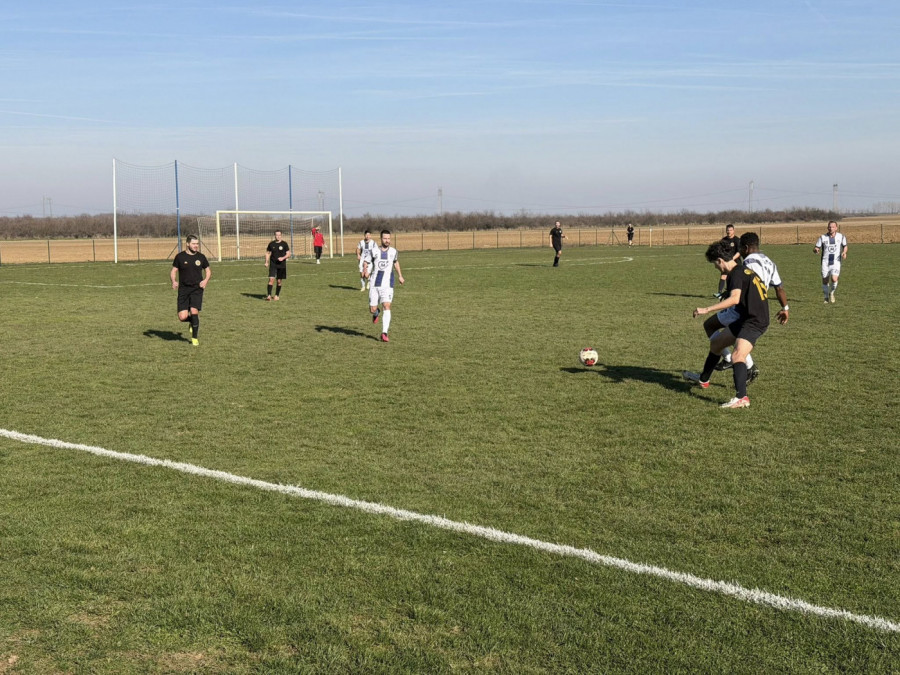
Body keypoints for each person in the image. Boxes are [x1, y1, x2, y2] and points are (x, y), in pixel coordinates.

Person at [683, 240, 770, 409]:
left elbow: (734, 299)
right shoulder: (742, 270)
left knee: (738, 355)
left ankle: (741, 397)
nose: (716, 267)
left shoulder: (736, 274)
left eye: (715, 264)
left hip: (755, 321)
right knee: (716, 344)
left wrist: (707, 309)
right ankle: (703, 380)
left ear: (720, 260)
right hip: (746, 318)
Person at [709, 231, 790, 380]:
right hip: (760, 306)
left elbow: (746, 284)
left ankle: (737, 362)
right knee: (734, 336)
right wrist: (785, 308)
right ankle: (738, 363)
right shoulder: (769, 262)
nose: (739, 251)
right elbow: (779, 288)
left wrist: (730, 294)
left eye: (740, 248)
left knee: (712, 326)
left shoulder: (748, 263)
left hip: (745, 306)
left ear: (745, 248)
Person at [170, 234, 211, 347]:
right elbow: (173, 271)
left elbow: (208, 271)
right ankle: (192, 321)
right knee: (182, 317)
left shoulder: (201, 257)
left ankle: (194, 338)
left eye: (197, 244)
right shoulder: (180, 257)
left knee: (194, 311)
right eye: (193, 244)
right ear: (187, 244)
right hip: (183, 290)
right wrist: (174, 281)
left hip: (197, 289)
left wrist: (205, 281)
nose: (196, 246)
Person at [368, 229, 405, 342]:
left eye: (389, 238)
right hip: (375, 283)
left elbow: (396, 262)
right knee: (372, 309)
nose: (387, 240)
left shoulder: (394, 251)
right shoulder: (374, 251)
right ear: (381, 239)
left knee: (387, 306)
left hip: (388, 284)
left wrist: (400, 276)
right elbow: (367, 262)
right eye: (385, 238)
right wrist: (366, 270)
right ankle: (376, 313)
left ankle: (384, 333)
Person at [814, 220, 848, 304]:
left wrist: (844, 252)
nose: (831, 228)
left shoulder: (841, 236)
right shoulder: (822, 237)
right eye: (829, 227)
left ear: (836, 228)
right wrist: (816, 250)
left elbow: (845, 246)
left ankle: (832, 293)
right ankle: (826, 297)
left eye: (833, 227)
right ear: (827, 228)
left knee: (834, 278)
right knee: (825, 281)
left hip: (836, 261)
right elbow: (816, 247)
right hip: (825, 262)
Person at [264, 230, 291, 301]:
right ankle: (269, 296)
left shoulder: (284, 244)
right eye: (276, 235)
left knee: (279, 281)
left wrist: (283, 258)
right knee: (271, 279)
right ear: (275, 235)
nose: (278, 236)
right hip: (273, 264)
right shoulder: (271, 244)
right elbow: (267, 253)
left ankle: (277, 295)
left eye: (279, 235)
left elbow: (288, 254)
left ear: (281, 235)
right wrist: (266, 262)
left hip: (281, 265)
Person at [716, 224, 741, 297]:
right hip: (726, 262)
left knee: (736, 278)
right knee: (723, 275)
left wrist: (732, 259)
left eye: (730, 230)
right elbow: (720, 250)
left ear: (733, 231)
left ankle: (737, 292)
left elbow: (739, 252)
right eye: (727, 230)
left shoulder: (737, 240)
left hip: (736, 263)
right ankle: (719, 293)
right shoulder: (724, 240)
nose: (729, 231)